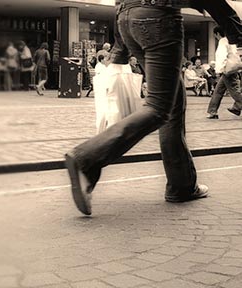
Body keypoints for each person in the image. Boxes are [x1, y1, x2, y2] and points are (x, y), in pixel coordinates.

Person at [64, 0, 208, 216]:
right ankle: (86, 158)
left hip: (127, 18)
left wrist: (120, 48)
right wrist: (236, 30)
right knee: (158, 108)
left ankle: (182, 185)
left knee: (172, 104)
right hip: (159, 17)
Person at [206, 26, 242, 119]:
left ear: (217, 33)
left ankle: (214, 111)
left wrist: (219, 70)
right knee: (218, 90)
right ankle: (212, 111)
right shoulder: (231, 41)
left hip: (227, 70)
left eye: (215, 35)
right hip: (233, 69)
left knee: (234, 91)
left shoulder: (223, 41)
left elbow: (221, 56)